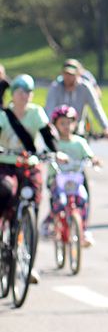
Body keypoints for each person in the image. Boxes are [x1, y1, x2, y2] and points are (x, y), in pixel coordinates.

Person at [0, 75, 65, 285]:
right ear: (13, 94)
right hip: (7, 164)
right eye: (20, 91)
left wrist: (56, 152)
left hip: (29, 165)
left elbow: (47, 135)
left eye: (28, 91)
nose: (25, 95)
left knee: (32, 206)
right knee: (5, 191)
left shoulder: (36, 113)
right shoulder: (3, 115)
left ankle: (28, 262)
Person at [45, 105, 102, 246]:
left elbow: (89, 154)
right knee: (60, 202)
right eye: (62, 123)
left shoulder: (79, 142)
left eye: (69, 122)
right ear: (55, 125)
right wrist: (51, 157)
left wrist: (94, 160)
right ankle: (51, 223)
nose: (66, 126)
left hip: (74, 179)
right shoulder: (54, 143)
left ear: (75, 123)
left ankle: (83, 230)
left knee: (83, 199)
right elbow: (47, 153)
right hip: (58, 180)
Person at [45, 58, 108, 139]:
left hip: (78, 128)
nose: (68, 77)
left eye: (71, 74)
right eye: (66, 74)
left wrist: (107, 127)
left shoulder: (85, 87)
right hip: (59, 131)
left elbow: (96, 108)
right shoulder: (55, 87)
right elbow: (49, 109)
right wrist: (49, 127)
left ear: (78, 74)